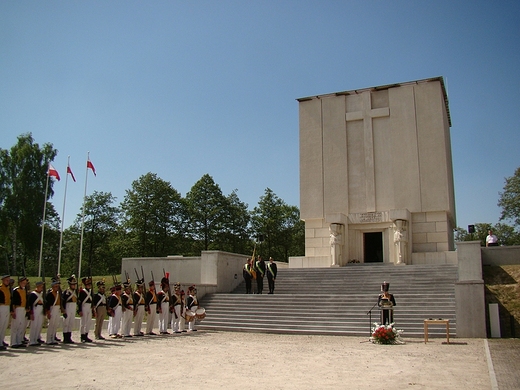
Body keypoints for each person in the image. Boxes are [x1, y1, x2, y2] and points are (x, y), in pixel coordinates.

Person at [10, 276, 28, 348]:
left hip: (22, 308)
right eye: (23, 282)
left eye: (25, 283)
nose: (24, 284)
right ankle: (14, 342)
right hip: (17, 308)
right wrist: (13, 311)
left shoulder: (24, 290)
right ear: (20, 282)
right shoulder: (16, 290)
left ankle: (19, 340)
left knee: (21, 325)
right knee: (15, 325)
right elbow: (13, 301)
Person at [45, 277, 62, 345]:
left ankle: (53, 338)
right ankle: (49, 339)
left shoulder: (58, 294)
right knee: (51, 325)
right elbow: (47, 304)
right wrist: (48, 312)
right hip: (52, 308)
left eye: (57, 286)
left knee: (55, 325)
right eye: (55, 286)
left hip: (57, 309)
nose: (56, 287)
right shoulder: (49, 294)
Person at [28, 280, 45, 346]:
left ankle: (36, 339)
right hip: (35, 309)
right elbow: (30, 304)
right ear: (38, 286)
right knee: (34, 325)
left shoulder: (41, 294)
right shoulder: (33, 294)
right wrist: (31, 313)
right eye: (41, 286)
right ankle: (32, 340)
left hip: (40, 309)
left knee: (38, 325)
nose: (42, 287)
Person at [62, 275, 78, 344]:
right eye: (72, 284)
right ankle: (65, 338)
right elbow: (63, 301)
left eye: (74, 284)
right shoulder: (66, 291)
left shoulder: (76, 292)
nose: (74, 286)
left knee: (71, 322)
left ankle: (69, 337)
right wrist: (64, 310)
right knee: (66, 322)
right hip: (68, 306)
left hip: (73, 306)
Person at [78, 276, 94, 343]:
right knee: (83, 322)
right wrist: (80, 310)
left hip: (89, 307)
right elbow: (79, 302)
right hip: (84, 306)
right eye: (88, 284)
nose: (89, 286)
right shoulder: (82, 292)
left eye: (90, 284)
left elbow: (92, 301)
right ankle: (82, 336)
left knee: (88, 322)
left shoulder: (91, 291)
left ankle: (86, 335)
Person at [0, 274, 11, 350]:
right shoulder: (1, 288)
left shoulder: (7, 289)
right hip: (1, 306)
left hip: (7, 306)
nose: (8, 281)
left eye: (8, 280)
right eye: (6, 280)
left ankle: (1, 341)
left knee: (4, 325)